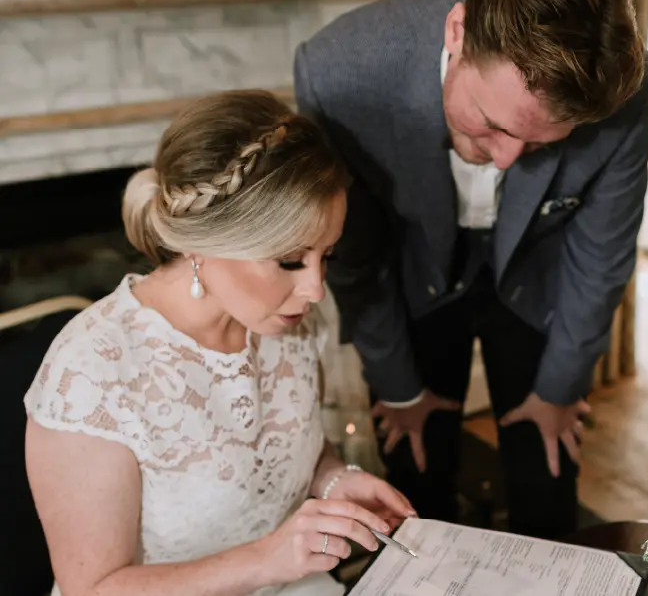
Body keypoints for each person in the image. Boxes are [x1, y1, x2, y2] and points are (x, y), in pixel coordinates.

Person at [293, 0, 648, 540]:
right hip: (412, 268)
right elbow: (355, 256)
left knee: (546, 472)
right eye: (490, 123)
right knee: (415, 477)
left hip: (537, 273)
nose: (508, 160)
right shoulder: (338, 73)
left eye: (542, 144)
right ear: (458, 33)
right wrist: (398, 387)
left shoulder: (621, 87)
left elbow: (602, 255)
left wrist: (560, 390)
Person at [22, 89, 416, 596]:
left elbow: (290, 454)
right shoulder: (92, 373)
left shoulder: (292, 323)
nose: (315, 289)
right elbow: (93, 588)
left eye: (328, 255)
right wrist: (265, 560)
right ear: (203, 244)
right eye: (291, 260)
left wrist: (337, 481)